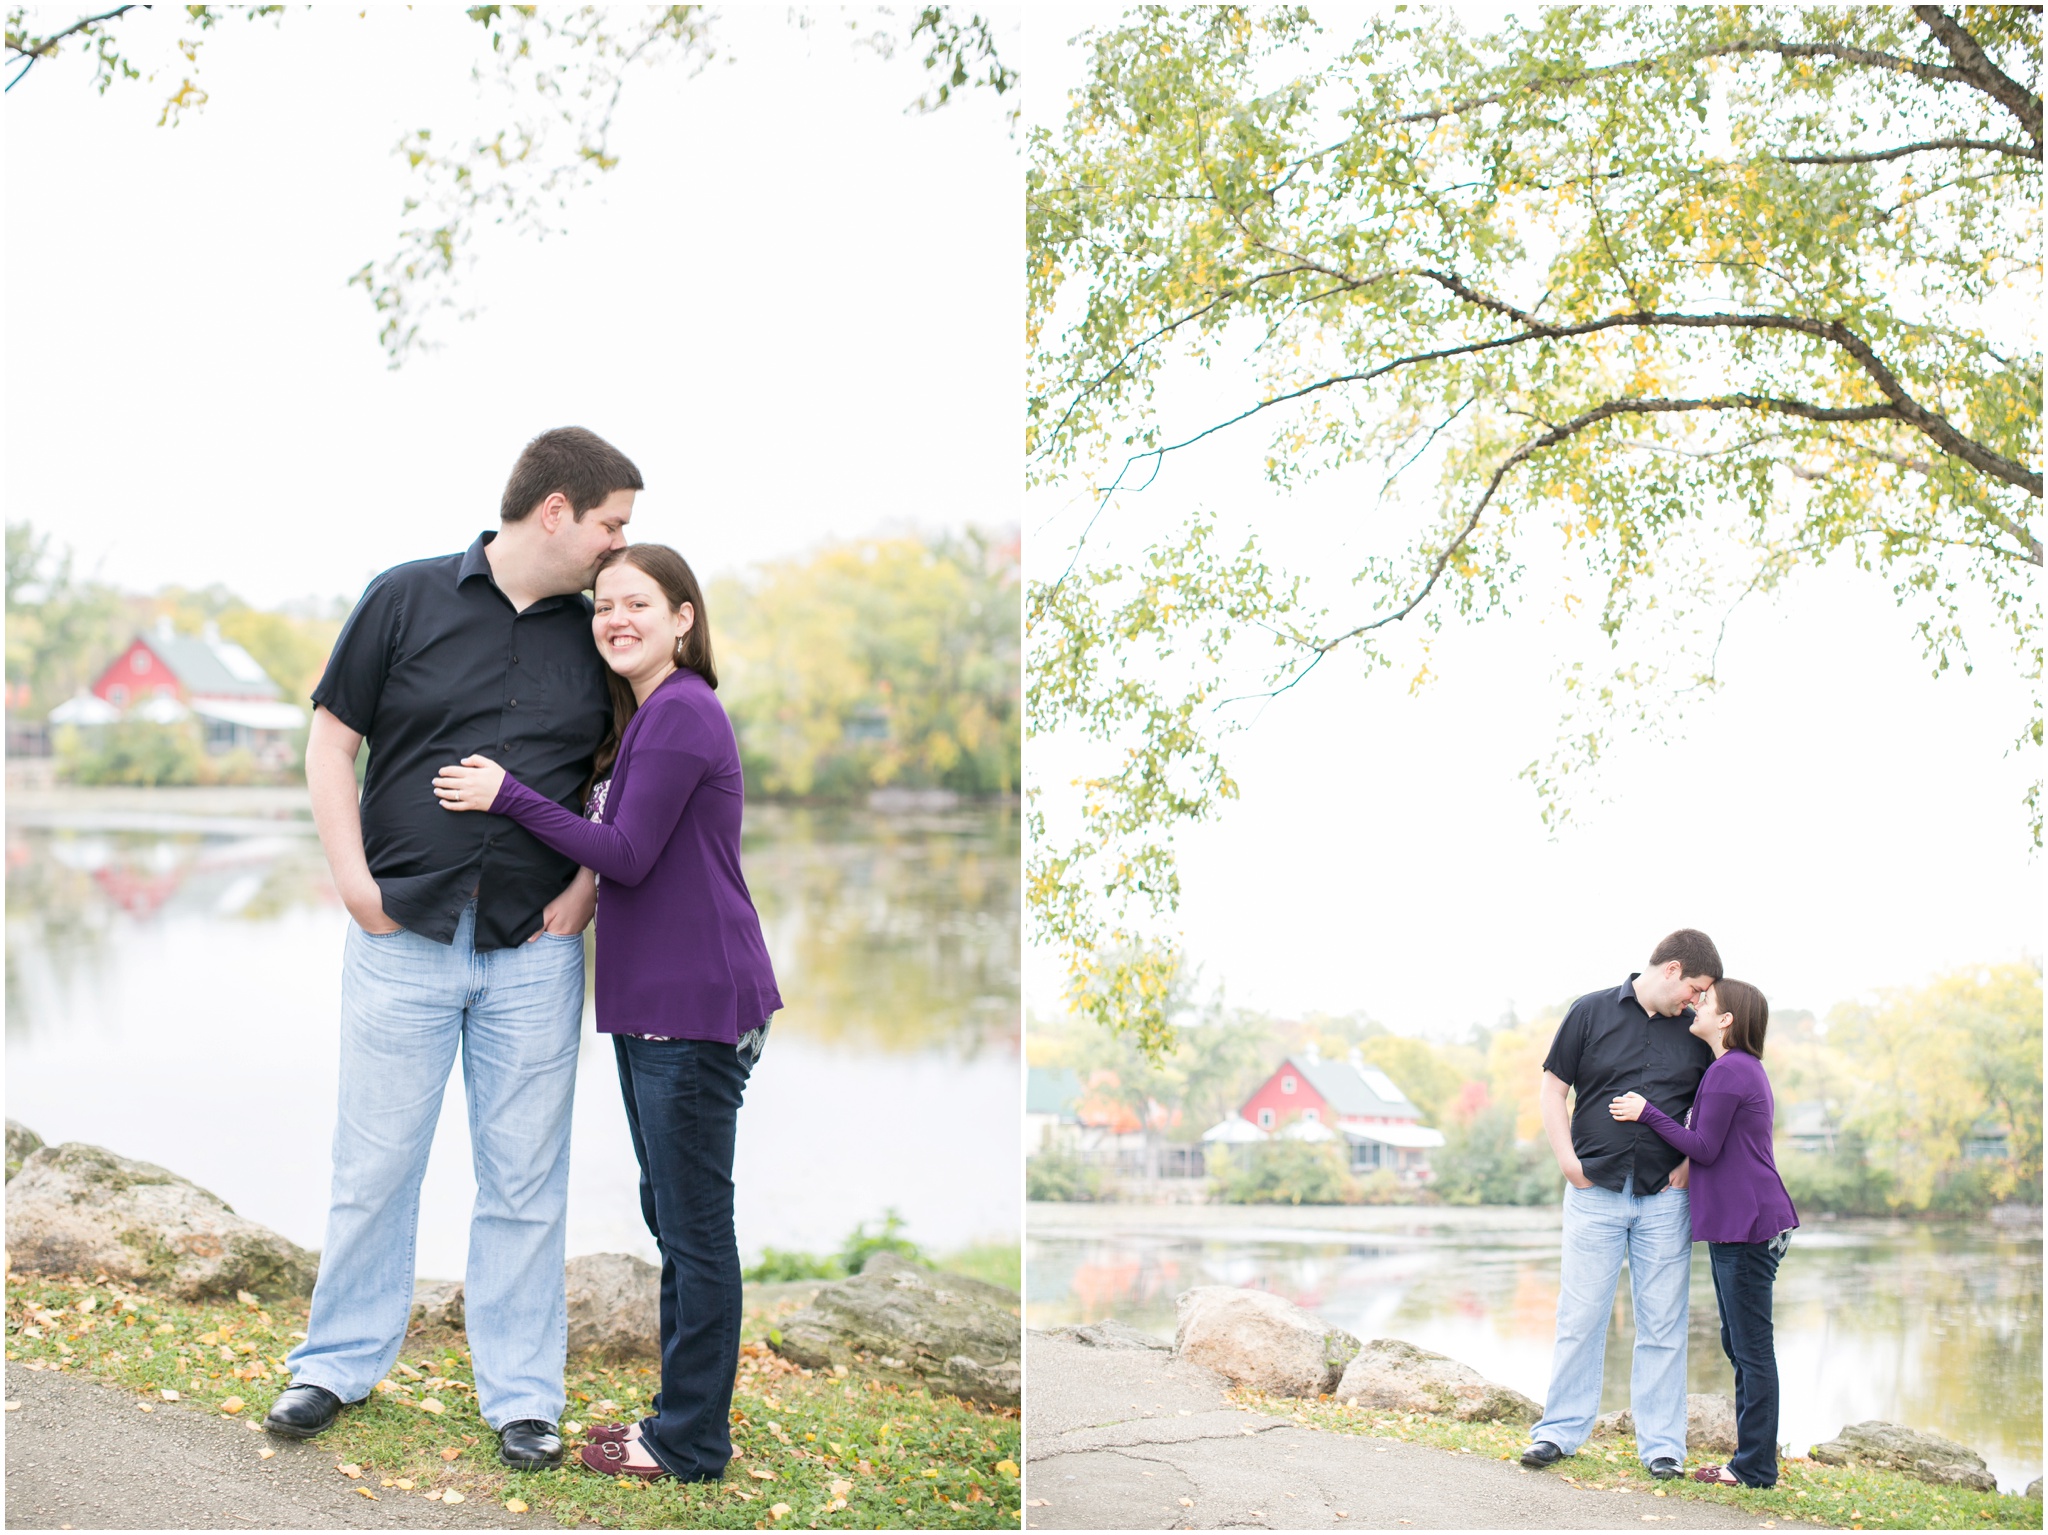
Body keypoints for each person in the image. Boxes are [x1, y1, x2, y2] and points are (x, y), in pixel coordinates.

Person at [262, 427, 641, 1476]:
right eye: (613, 521)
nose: (621, 544)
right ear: (556, 510)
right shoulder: (405, 596)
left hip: (535, 947)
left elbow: (622, 774)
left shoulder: (597, 633)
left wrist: (583, 888)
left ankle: (523, 1397)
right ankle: (334, 1364)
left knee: (524, 1179)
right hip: (402, 934)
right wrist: (353, 881)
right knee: (373, 1165)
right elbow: (332, 740)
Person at [432, 543, 781, 1484]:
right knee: (674, 1215)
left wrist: (509, 796)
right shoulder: (651, 716)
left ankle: (689, 1441)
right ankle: (681, 1421)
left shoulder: (679, 714)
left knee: (695, 1229)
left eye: (638, 603)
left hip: (694, 1007)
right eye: (603, 606)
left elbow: (625, 854)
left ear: (683, 618)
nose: (615, 618)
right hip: (660, 1006)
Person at [1520, 929, 1722, 1481]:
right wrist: (1567, 1163)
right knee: (1579, 1317)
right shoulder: (1589, 1012)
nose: (1698, 1000)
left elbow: (1711, 1104)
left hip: (1664, 1198)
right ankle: (1558, 1433)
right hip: (1594, 1193)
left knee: (1663, 1325)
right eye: (1697, 988)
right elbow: (1552, 1089)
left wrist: (1687, 1163)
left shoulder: (1696, 1032)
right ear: (1673, 970)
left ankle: (1662, 1448)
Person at [1611, 978, 1798, 1489]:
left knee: (1751, 1348)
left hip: (1748, 1225)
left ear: (1726, 1019)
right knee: (1739, 1344)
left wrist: (1645, 1112)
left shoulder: (1729, 1070)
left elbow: (1706, 1148)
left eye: (1707, 1001)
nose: (1696, 1003)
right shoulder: (1737, 1069)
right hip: (1743, 1223)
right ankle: (1752, 1462)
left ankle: (1755, 1467)